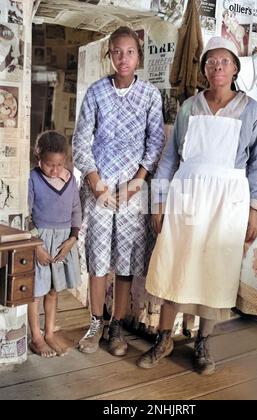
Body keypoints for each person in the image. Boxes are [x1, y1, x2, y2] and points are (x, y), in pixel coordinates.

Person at [137, 37, 257, 374]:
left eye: (224, 62)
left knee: (215, 268)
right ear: (204, 70)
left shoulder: (251, 110)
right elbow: (169, 159)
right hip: (186, 195)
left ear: (235, 68)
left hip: (228, 201)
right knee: (175, 263)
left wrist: (254, 209)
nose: (217, 68)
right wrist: (158, 203)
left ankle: (202, 343)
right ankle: (164, 338)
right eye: (211, 62)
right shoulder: (188, 107)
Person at [73, 26, 165, 356]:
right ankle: (95, 322)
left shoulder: (151, 96)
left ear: (138, 56)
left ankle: (116, 326)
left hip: (133, 190)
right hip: (100, 189)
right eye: (116, 52)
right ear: (109, 55)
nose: (122, 58)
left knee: (126, 262)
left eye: (129, 52)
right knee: (98, 257)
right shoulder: (96, 92)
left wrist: (138, 180)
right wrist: (95, 183)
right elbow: (81, 140)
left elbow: (156, 141)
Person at [28, 130, 82, 357]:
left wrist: (73, 238)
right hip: (39, 241)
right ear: (37, 156)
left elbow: (76, 209)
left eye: (59, 164)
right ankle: (36, 337)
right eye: (49, 164)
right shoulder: (32, 178)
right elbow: (25, 212)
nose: (55, 170)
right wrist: (35, 245)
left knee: (52, 290)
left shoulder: (70, 180)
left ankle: (49, 332)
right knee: (35, 292)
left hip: (62, 243)